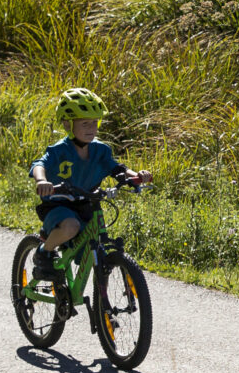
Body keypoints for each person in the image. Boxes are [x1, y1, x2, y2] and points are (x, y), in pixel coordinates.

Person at [27, 87, 150, 278]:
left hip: (87, 205)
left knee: (96, 248)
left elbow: (117, 169)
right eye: (85, 123)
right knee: (71, 227)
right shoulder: (59, 151)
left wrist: (137, 176)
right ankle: (44, 252)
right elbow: (39, 164)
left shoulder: (100, 150)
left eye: (94, 123)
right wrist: (42, 181)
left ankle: (101, 302)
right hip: (59, 204)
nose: (91, 129)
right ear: (68, 125)